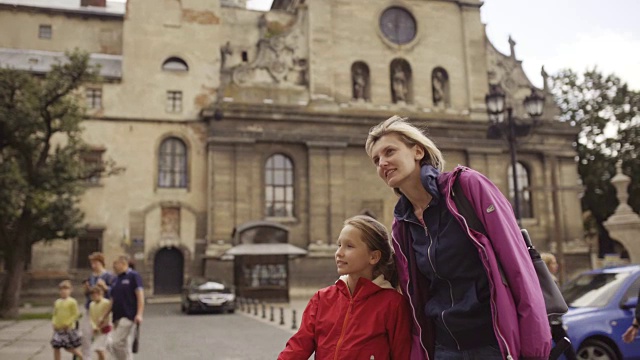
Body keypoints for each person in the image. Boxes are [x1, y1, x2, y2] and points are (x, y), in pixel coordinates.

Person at [365, 115, 552, 360]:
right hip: (445, 348)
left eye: (390, 151)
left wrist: (534, 346)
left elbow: (517, 265)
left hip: (493, 342)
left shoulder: (467, 188)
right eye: (376, 159)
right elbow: (415, 295)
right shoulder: (402, 224)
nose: (383, 163)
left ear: (418, 151)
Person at [278, 215, 411, 360]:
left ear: (374, 257)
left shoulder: (393, 304)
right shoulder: (322, 299)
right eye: (339, 245)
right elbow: (298, 348)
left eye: (349, 246)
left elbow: (402, 354)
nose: (339, 253)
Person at [103, 255, 144, 360]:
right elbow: (112, 299)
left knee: (116, 343)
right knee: (124, 344)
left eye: (115, 264)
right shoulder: (115, 279)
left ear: (123, 263)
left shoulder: (133, 276)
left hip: (129, 315)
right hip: (117, 316)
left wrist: (139, 314)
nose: (113, 267)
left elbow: (140, 295)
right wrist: (104, 316)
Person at [541, 253, 577, 360]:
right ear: (547, 265)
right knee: (568, 350)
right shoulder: (551, 280)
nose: (556, 265)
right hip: (554, 321)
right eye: (553, 263)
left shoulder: (540, 279)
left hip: (548, 320)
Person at [81, 252, 115, 360]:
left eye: (95, 263)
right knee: (86, 334)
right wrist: (86, 289)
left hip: (104, 310)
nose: (93, 265)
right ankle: (87, 357)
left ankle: (113, 353)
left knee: (104, 335)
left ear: (101, 263)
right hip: (90, 308)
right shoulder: (91, 277)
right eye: (92, 263)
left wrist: (105, 287)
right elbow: (89, 294)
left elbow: (113, 293)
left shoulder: (108, 276)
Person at [51, 280, 83, 360]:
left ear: (70, 290)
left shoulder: (72, 302)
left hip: (68, 329)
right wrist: (54, 323)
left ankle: (82, 357)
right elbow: (55, 314)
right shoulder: (57, 302)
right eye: (61, 289)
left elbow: (75, 314)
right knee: (56, 346)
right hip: (58, 328)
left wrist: (67, 323)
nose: (63, 291)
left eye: (66, 289)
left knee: (68, 347)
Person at [89, 284, 112, 360]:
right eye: (93, 295)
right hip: (96, 330)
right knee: (100, 349)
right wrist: (94, 327)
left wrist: (101, 326)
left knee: (99, 349)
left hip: (105, 329)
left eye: (96, 294)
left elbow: (108, 317)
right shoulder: (91, 305)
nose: (94, 296)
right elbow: (91, 317)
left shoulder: (106, 303)